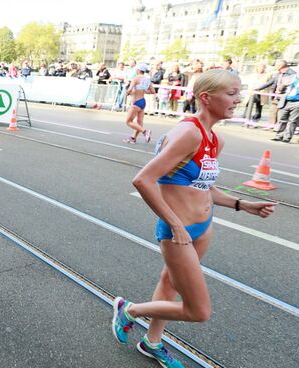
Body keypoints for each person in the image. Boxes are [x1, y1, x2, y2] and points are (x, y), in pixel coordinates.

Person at [111, 69, 275, 367]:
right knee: (199, 311)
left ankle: (152, 341)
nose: (238, 99)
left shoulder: (214, 139)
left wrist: (240, 204)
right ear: (206, 98)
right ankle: (129, 310)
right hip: (179, 232)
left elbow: (203, 187)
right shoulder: (189, 133)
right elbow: (144, 180)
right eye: (232, 93)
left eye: (239, 92)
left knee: (170, 283)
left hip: (203, 227)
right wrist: (175, 225)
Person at [122, 63, 155, 144]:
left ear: (139, 70)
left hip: (136, 102)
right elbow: (153, 91)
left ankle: (145, 131)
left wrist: (127, 93)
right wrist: (143, 90)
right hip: (143, 101)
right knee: (139, 122)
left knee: (128, 121)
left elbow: (130, 89)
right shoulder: (147, 80)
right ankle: (133, 138)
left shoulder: (136, 79)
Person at [270, 76, 299, 143]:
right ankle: (279, 136)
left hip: (297, 102)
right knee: (282, 119)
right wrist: (284, 85)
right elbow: (280, 89)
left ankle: (287, 138)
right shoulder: (291, 78)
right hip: (286, 101)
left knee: (292, 121)